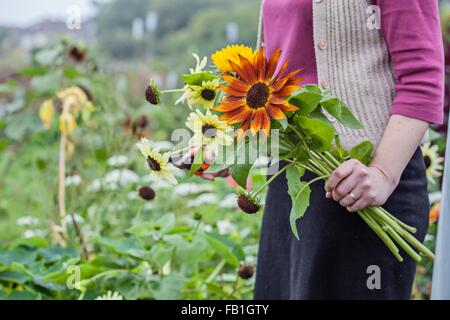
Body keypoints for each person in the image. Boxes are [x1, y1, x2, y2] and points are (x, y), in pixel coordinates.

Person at [254, 0, 444, 299]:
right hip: (292, 183)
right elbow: (274, 74)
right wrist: (233, 144)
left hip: (365, 189)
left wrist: (382, 173)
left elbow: (422, 78)